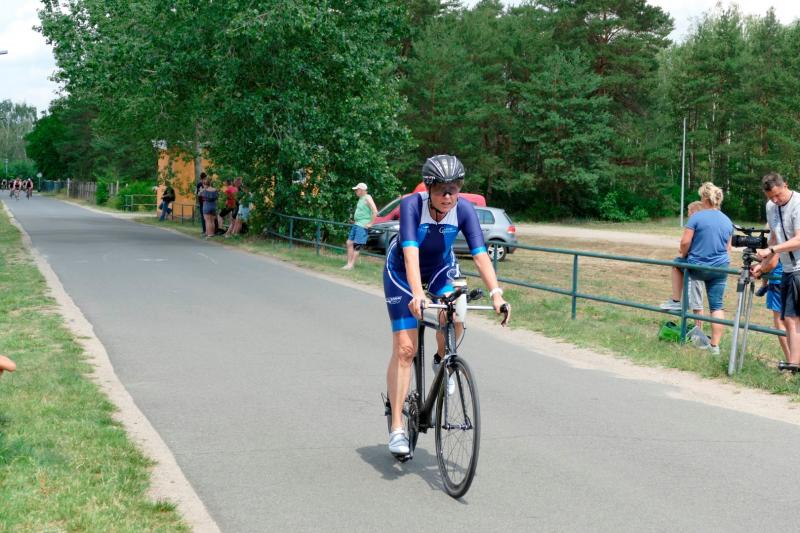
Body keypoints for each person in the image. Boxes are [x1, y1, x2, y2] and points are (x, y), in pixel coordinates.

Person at [383, 154, 510, 456]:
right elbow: (410, 254)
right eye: (442, 189)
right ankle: (398, 427)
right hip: (401, 272)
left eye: (455, 188)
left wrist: (496, 294)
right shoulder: (412, 206)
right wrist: (418, 294)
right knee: (405, 349)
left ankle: (442, 359)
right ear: (429, 188)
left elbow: (480, 254)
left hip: (441, 267)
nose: (449, 195)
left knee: (458, 310)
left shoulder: (464, 209)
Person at [675, 182, 733, 356]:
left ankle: (675, 300)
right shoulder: (727, 220)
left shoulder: (697, 217)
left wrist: (684, 255)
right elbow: (728, 248)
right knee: (717, 306)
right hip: (721, 268)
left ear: (705, 198)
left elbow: (685, 242)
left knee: (676, 263)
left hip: (698, 267)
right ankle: (714, 346)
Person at [753, 172, 800, 372]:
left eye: (778, 195)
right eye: (770, 197)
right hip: (787, 270)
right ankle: (794, 366)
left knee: (792, 320)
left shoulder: (798, 204)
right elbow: (774, 238)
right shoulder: (771, 207)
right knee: (789, 319)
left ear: (785, 185)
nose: (775, 200)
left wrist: (771, 250)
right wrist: (763, 265)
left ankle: (793, 366)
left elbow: (798, 239)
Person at [659, 200, 710, 346]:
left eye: (689, 213)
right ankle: (677, 303)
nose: (688, 216)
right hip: (692, 266)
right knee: (677, 265)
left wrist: (683, 253)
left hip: (695, 268)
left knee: (697, 303)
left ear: (695, 212)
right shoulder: (699, 227)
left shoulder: (698, 227)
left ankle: (699, 335)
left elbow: (685, 246)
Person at [755, 255, 790, 361]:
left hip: (778, 281)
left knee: (781, 322)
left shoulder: (776, 244)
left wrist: (760, 268)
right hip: (794, 279)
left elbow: (770, 263)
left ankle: (791, 361)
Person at [342, 182, 378, 270]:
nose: (355, 192)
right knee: (349, 242)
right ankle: (349, 264)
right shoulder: (361, 198)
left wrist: (370, 223)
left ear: (361, 190)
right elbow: (363, 211)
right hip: (357, 224)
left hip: (362, 226)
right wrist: (355, 220)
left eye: (356, 190)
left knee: (357, 245)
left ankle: (351, 265)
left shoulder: (367, 198)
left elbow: (375, 211)